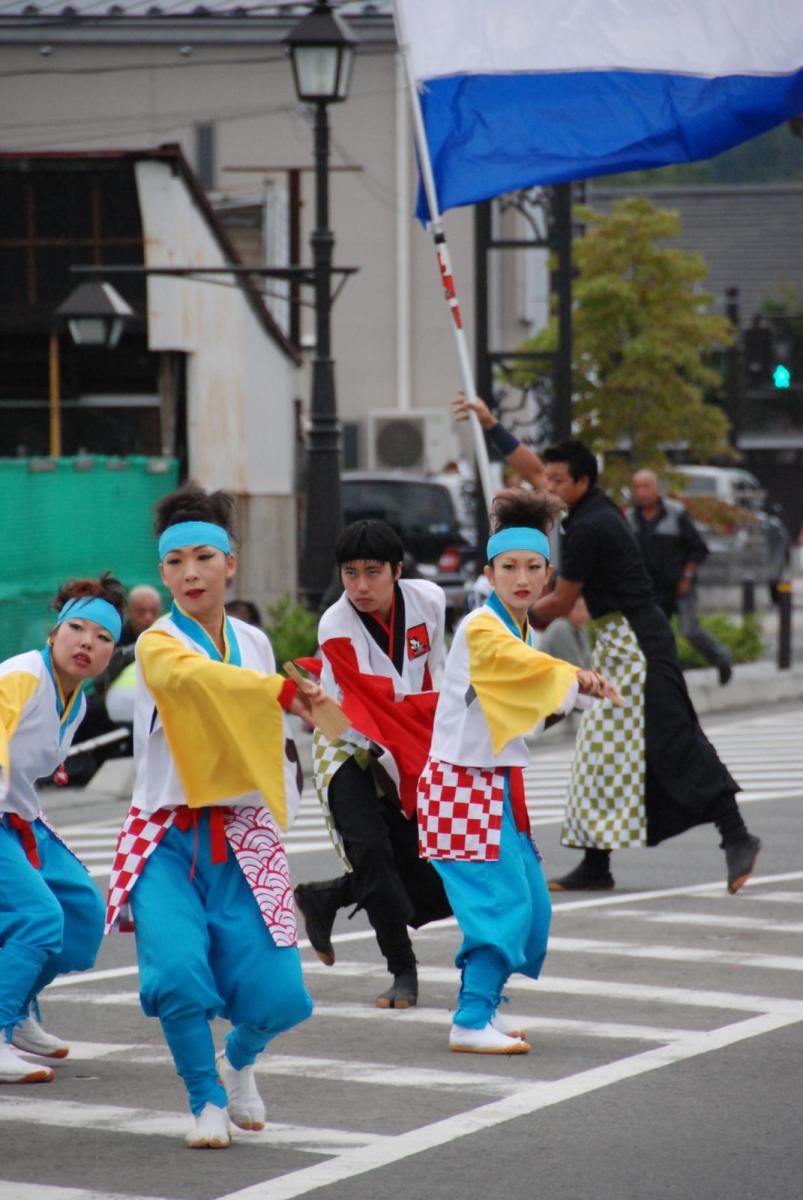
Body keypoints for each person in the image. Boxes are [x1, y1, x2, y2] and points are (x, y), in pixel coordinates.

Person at [452, 398, 761, 896]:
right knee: (599, 750)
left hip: (639, 644)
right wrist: (492, 425)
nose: (547, 486)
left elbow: (563, 600)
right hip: (619, 642)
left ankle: (738, 836)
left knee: (676, 741)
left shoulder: (593, 526)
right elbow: (530, 466)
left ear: (580, 482)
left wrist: (504, 613)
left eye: (556, 481)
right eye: (548, 479)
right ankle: (597, 865)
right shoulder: (586, 505)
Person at [105, 485, 325, 1149]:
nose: (189, 573)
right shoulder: (157, 645)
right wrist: (280, 692)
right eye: (174, 562)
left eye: (204, 557)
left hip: (244, 832)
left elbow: (263, 721)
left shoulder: (255, 641)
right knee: (175, 976)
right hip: (167, 837)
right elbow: (195, 683)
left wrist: (302, 701)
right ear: (163, 571)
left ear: (231, 563)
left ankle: (241, 1060)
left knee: (283, 997)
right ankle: (204, 1099)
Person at [417, 489, 615, 1054]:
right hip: (459, 786)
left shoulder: (522, 629)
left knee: (531, 904)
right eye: (509, 568)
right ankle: (469, 1019)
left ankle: (484, 1006)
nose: (522, 578)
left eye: (533, 568)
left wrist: (575, 691)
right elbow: (519, 667)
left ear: (550, 572)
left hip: (495, 786)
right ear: (489, 573)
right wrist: (573, 675)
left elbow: (529, 701)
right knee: (502, 904)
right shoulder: (485, 627)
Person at [294, 519, 452, 1010]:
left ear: (397, 571)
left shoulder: (429, 600)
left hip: (410, 736)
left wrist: (444, 739)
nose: (360, 586)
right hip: (345, 738)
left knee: (435, 864)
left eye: (373, 572)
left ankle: (328, 896)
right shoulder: (335, 624)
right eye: (350, 573)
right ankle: (403, 970)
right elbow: (369, 707)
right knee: (372, 853)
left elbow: (436, 672)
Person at [0, 574, 124, 1084]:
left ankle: (22, 1009)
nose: (87, 643)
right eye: (76, 627)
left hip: (21, 816)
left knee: (80, 915)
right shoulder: (22, 675)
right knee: (38, 916)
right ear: (54, 632)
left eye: (103, 637)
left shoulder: (75, 700)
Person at [625, 469, 732, 684]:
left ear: (658, 489)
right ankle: (664, 677)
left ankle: (721, 657)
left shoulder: (676, 513)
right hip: (652, 589)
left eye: (647, 486)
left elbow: (699, 549)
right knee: (655, 636)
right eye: (637, 487)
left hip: (681, 584)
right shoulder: (630, 518)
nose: (642, 492)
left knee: (689, 629)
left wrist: (687, 576)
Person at [538, 595, 593, 670]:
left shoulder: (581, 629)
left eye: (586, 608)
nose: (584, 613)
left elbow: (588, 662)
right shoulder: (561, 627)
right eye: (578, 608)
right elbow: (574, 665)